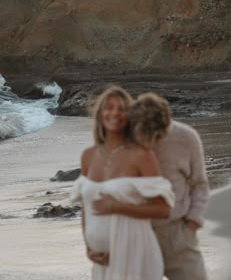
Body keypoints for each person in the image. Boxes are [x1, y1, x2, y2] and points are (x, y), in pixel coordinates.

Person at [92, 92, 209, 280]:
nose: (150, 144)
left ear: (168, 121)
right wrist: (102, 241)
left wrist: (192, 223)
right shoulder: (123, 139)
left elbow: (199, 184)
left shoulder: (187, 138)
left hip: (177, 233)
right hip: (134, 235)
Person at [70, 86, 175, 280]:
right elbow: (87, 207)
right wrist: (88, 248)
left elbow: (163, 209)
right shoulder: (88, 156)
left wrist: (117, 207)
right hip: (102, 261)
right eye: (109, 107)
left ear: (130, 116)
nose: (115, 113)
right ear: (101, 113)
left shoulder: (141, 155)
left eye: (122, 108)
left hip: (136, 253)